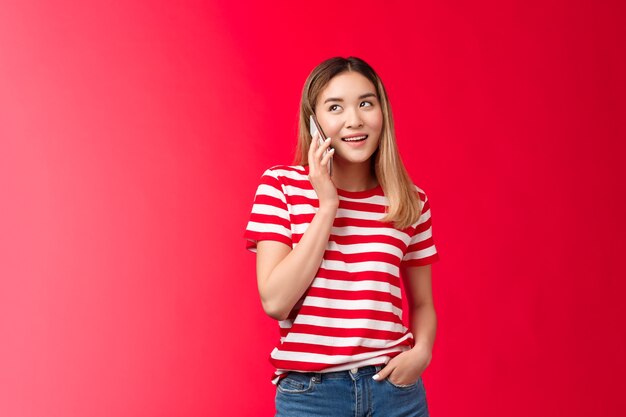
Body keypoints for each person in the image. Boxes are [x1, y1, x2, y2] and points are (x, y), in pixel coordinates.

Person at [244, 56, 440, 417]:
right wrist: (327, 205)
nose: (355, 120)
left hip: (395, 392)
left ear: (382, 113)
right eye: (336, 107)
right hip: (312, 396)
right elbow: (275, 301)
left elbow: (424, 303)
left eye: (366, 103)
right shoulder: (280, 187)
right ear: (314, 121)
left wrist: (421, 352)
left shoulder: (410, 200)